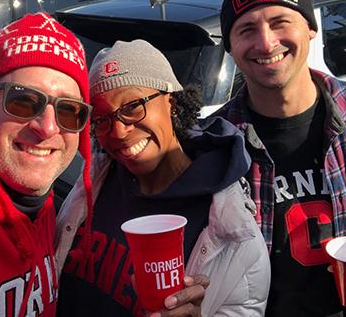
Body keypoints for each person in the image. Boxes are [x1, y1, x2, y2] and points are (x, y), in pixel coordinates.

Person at [0, 12, 209, 316]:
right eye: (22, 101)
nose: (47, 128)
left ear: (173, 103)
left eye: (69, 111)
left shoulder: (46, 203)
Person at [55, 39, 269, 316]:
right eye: (102, 119)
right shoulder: (93, 182)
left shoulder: (234, 234)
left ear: (171, 102)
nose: (118, 132)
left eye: (133, 106)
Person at [213, 0, 346, 316]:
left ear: (310, 28)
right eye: (246, 29)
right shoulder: (212, 145)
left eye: (279, 22)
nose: (266, 42)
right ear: (230, 46)